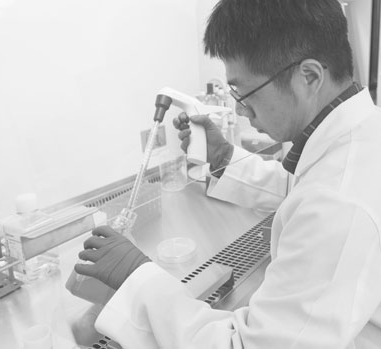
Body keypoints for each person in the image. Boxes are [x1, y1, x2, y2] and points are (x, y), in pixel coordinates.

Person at [74, 0, 381, 347]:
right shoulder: (358, 139)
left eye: (243, 91)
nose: (238, 107)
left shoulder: (339, 204)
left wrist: (138, 279)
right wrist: (223, 157)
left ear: (308, 76)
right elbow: (299, 190)